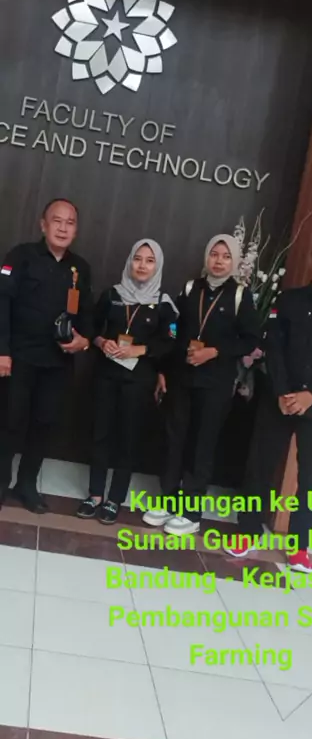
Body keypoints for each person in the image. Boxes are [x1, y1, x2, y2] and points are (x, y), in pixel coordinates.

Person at [225, 235, 312, 565]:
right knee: (259, 466)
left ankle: (299, 542)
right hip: (278, 399)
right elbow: (274, 347)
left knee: (311, 475)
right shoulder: (287, 300)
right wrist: (284, 392)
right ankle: (248, 530)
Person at [142, 234, 261, 535]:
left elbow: (251, 339)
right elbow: (175, 328)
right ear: (207, 257)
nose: (219, 261)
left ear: (234, 262)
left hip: (216, 382)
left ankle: (191, 513)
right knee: (174, 439)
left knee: (202, 445)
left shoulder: (240, 295)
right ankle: (168, 500)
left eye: (226, 256)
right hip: (182, 377)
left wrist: (215, 351)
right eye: (214, 254)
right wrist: (166, 366)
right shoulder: (190, 288)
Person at [0, 199, 93, 513]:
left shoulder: (80, 268)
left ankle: (27, 485)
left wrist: (84, 340)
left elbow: (87, 314)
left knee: (43, 426)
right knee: (9, 424)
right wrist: (2, 351)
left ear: (76, 230)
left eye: (70, 223)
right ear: (43, 225)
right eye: (57, 221)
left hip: (57, 364)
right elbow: (2, 304)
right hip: (19, 359)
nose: (63, 228)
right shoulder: (21, 256)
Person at [76, 240, 177, 525]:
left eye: (149, 261)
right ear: (130, 262)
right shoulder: (112, 295)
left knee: (127, 439)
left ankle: (114, 499)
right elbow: (91, 327)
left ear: (157, 266)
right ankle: (95, 494)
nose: (142, 265)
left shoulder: (164, 303)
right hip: (106, 374)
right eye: (137, 259)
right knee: (100, 434)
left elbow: (170, 343)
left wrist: (140, 350)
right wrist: (101, 341)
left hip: (139, 380)